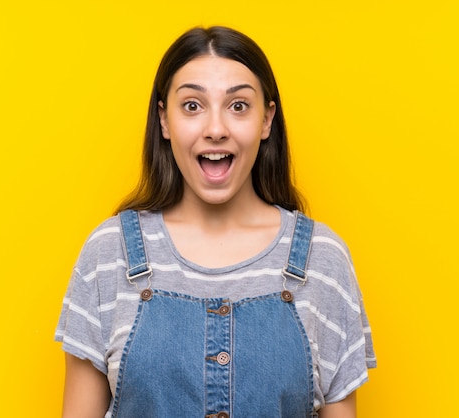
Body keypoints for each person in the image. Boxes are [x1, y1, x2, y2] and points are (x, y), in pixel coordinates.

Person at [55, 26, 376, 418]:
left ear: (266, 120)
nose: (216, 129)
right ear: (164, 120)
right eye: (192, 105)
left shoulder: (321, 262)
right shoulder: (110, 255)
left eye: (238, 106)